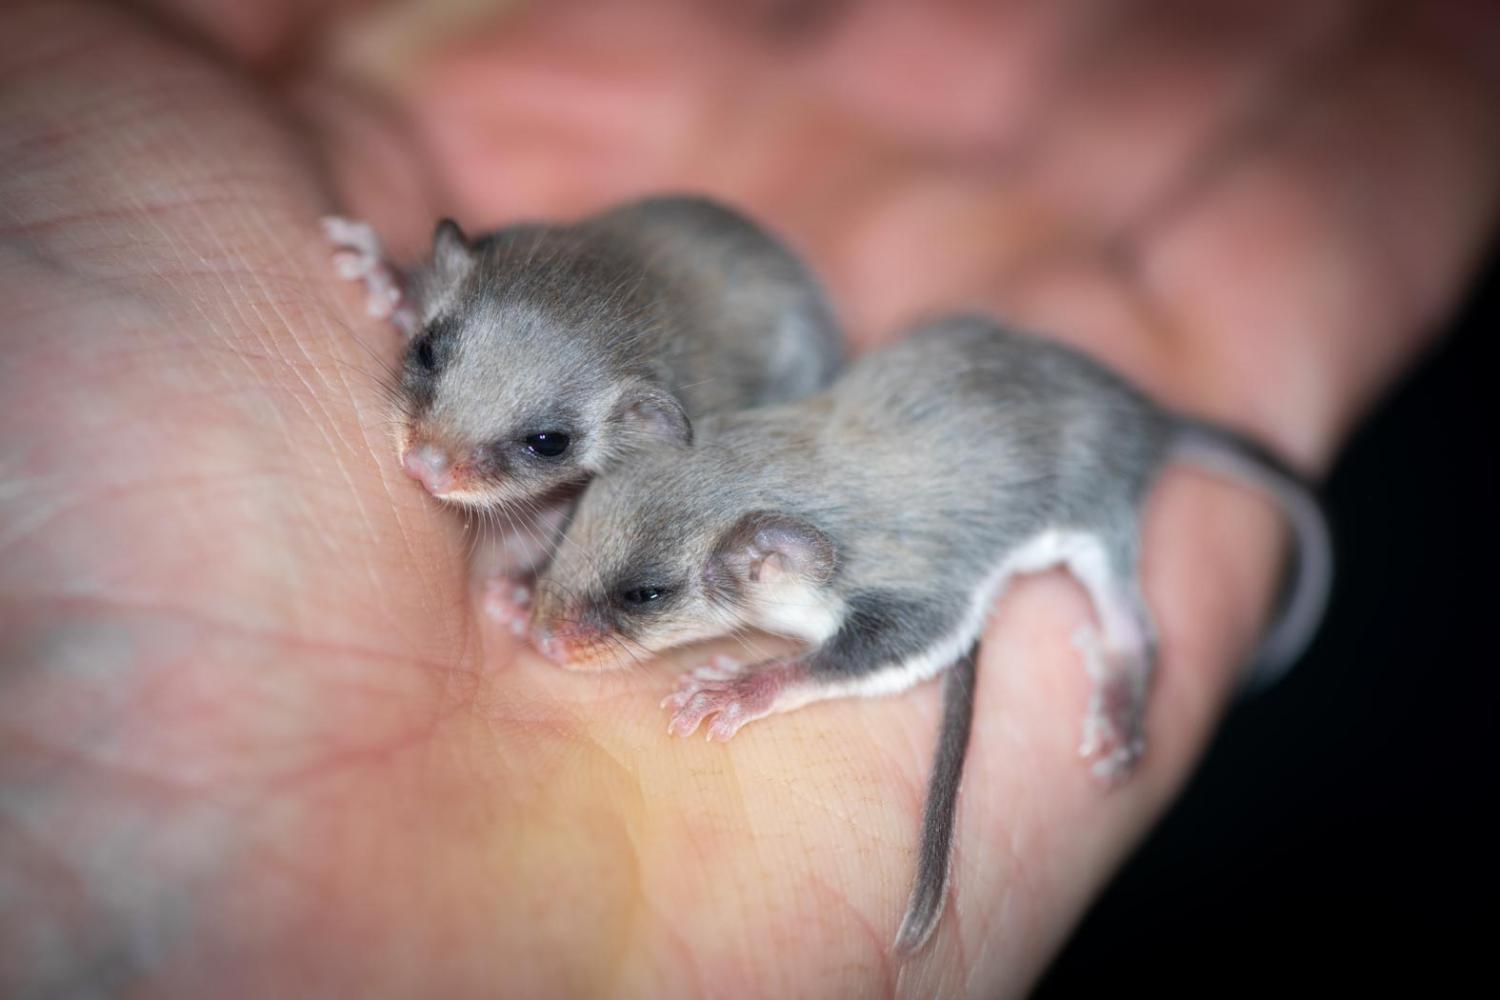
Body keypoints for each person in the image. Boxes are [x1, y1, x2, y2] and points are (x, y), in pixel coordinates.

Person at [1, 0, 1494, 995]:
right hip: (751, 358)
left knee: (1068, 547)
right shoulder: (556, 351)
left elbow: (894, 596)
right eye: (432, 358)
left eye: (526, 460)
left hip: (856, 388)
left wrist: (761, 670)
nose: (430, 471)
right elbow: (504, 323)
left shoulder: (698, 440)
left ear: (645, 432)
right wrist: (411, 325)